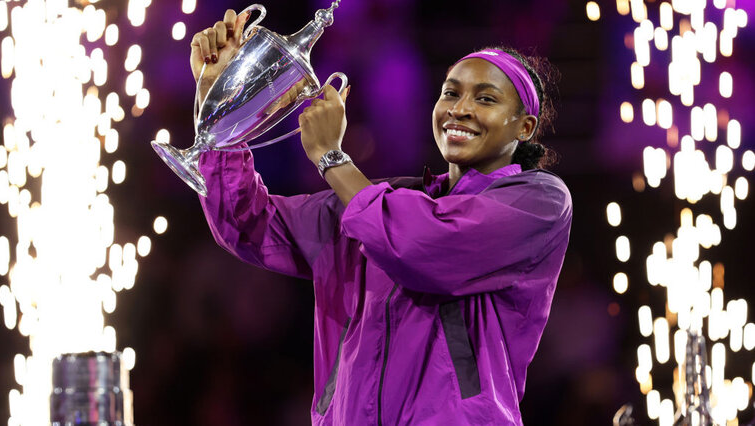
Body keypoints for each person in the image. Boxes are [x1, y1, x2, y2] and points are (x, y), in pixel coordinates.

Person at [191, 9, 572, 425]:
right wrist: (221, 101)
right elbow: (251, 226)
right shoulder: (385, 198)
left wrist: (331, 158)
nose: (460, 109)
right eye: (450, 93)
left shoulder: (538, 202)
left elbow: (420, 245)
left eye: (485, 98)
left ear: (525, 127)